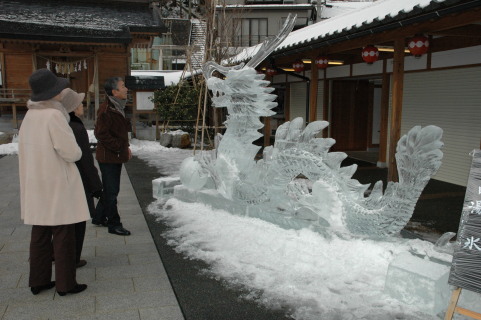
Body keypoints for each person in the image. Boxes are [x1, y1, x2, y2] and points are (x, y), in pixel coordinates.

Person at [18, 69, 88, 296]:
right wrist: (77, 151)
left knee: (39, 233)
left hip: (35, 182)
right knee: (63, 234)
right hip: (56, 182)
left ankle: (38, 281)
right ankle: (66, 284)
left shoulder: (30, 115)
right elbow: (71, 152)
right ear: (53, 92)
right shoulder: (54, 116)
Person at [60, 88, 103, 268]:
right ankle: (73, 258)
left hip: (62, 179)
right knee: (78, 221)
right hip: (78, 180)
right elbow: (85, 159)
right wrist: (96, 185)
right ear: (72, 107)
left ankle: (60, 254)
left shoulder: (63, 124)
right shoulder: (77, 128)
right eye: (80, 103)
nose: (83, 106)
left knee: (63, 223)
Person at [93, 77, 132, 236]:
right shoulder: (106, 109)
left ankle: (99, 217)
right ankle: (114, 224)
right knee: (112, 191)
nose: (126, 89)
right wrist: (119, 147)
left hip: (115, 155)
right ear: (114, 91)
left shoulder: (117, 106)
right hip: (108, 156)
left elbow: (119, 132)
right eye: (123, 86)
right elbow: (100, 133)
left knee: (110, 189)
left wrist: (125, 147)